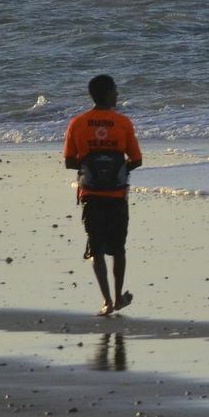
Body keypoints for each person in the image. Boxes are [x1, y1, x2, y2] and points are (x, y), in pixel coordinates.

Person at [64, 74, 143, 315]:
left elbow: (69, 162)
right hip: (117, 195)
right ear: (108, 94)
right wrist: (117, 169)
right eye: (116, 91)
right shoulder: (123, 123)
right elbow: (137, 160)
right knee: (118, 248)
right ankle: (119, 298)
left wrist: (91, 166)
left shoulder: (77, 123)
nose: (118, 95)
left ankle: (107, 301)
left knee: (95, 248)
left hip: (90, 194)